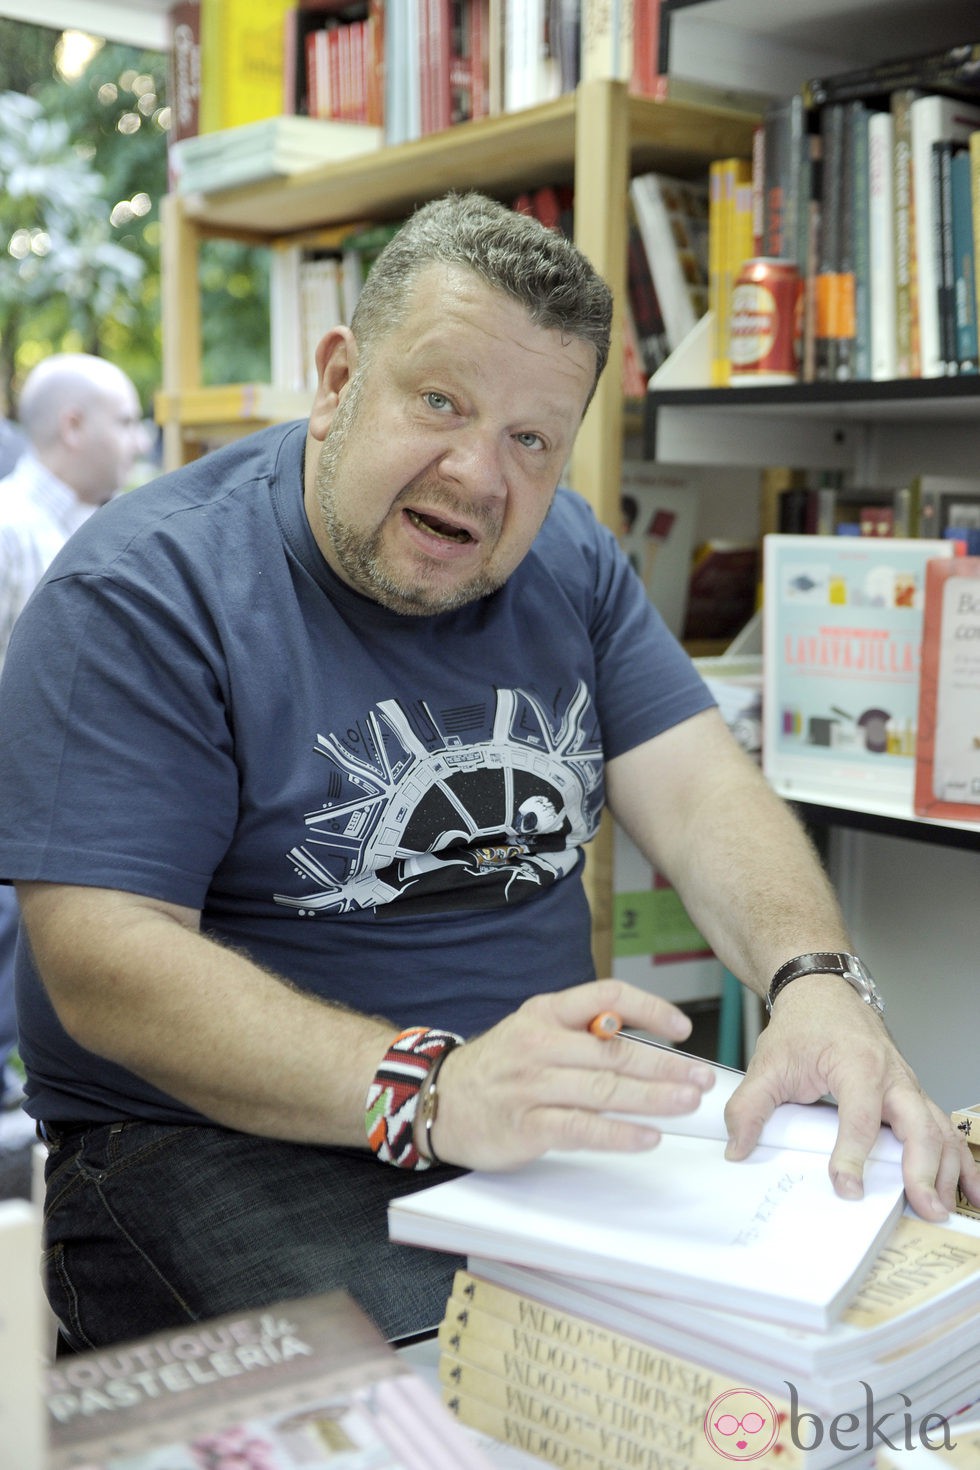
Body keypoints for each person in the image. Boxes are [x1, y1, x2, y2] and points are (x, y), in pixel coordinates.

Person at [0, 195, 975, 1354]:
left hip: (539, 1114)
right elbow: (101, 964)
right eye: (439, 401)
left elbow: (707, 792)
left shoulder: (566, 555)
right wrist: (434, 1089)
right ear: (336, 379)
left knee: (853, 1334)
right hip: (216, 1138)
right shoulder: (143, 590)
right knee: (494, 1401)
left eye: (531, 438)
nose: (476, 472)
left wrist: (814, 979)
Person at [0, 353, 148, 1111]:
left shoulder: (105, 533)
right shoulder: (9, 533)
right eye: (125, 422)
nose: (139, 440)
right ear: (72, 425)